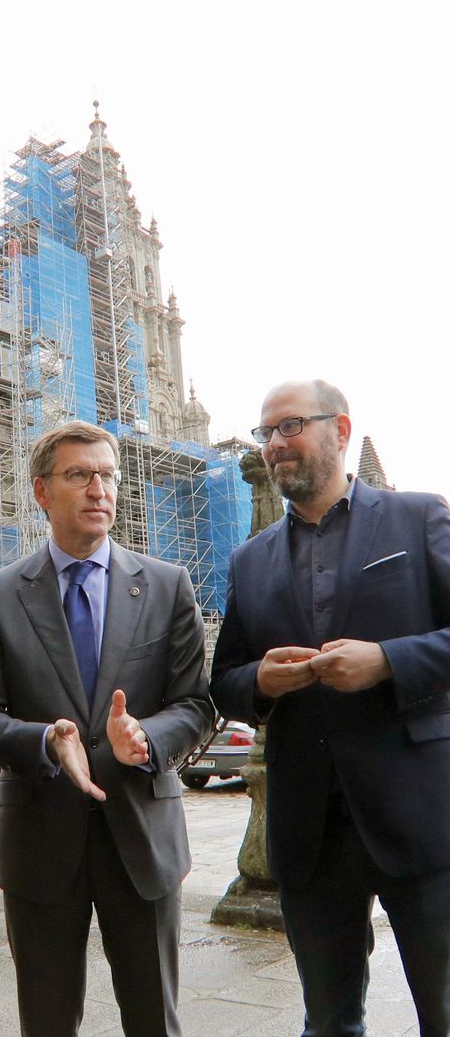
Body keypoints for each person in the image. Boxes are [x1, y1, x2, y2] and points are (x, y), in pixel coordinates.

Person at [0, 420, 213, 1037]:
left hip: (142, 840)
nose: (98, 489)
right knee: (46, 1022)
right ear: (42, 492)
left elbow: (197, 706)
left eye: (107, 476)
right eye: (79, 475)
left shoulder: (168, 585)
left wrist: (147, 740)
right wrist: (45, 741)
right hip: (40, 844)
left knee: (155, 1021)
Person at [210, 379, 450, 1037]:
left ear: (340, 431)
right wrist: (261, 678)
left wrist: (388, 661)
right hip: (309, 836)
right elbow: (223, 680)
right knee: (328, 1023)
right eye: (266, 433)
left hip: (420, 820)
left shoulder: (420, 517)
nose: (276, 444)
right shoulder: (249, 560)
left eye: (291, 427)